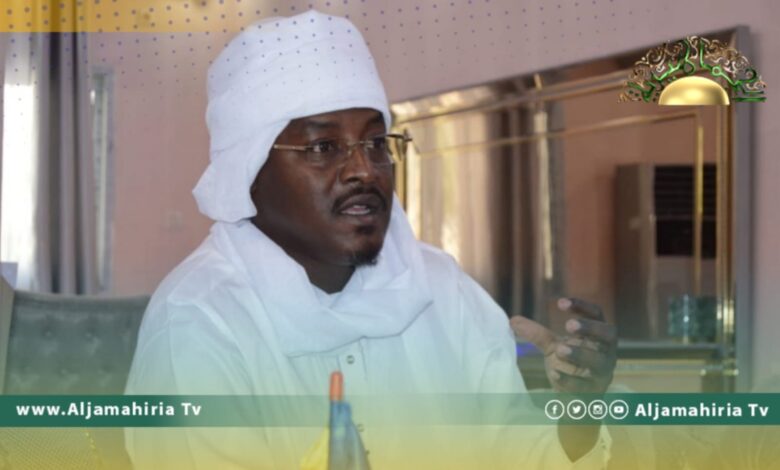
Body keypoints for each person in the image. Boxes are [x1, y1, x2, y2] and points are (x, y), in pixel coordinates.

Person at [125, 10, 617, 469]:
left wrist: (579, 422)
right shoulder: (201, 323)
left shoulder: (442, 290)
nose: (364, 170)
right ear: (249, 172)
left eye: (376, 143)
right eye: (323, 147)